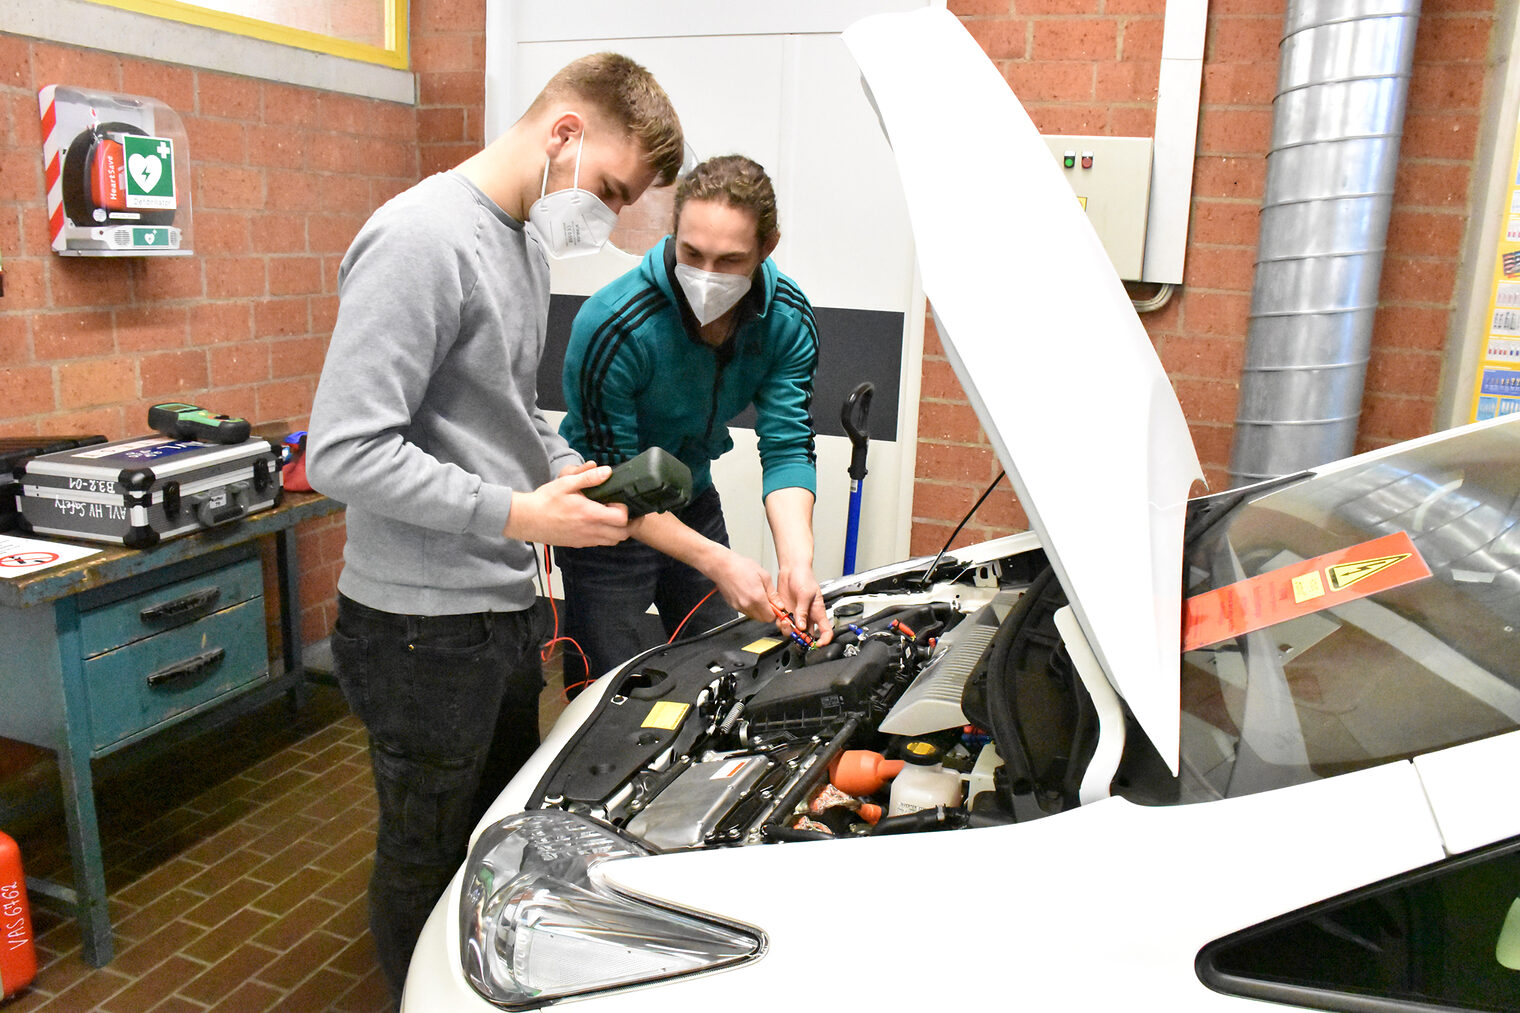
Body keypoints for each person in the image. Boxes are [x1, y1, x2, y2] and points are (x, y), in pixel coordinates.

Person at [305, 53, 682, 1002]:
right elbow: (342, 454)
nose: (604, 215)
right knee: (424, 857)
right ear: (562, 133)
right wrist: (520, 511)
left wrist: (565, 475)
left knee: (494, 841)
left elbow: (503, 414)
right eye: (608, 188)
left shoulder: (518, 243)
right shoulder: (420, 238)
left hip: (498, 613)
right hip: (418, 631)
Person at [557, 154, 831, 692]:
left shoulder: (786, 318)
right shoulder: (612, 326)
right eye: (692, 253)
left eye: (730, 260)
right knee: (609, 692)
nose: (706, 276)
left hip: (691, 498)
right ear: (673, 233)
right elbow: (612, 485)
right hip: (605, 513)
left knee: (723, 668)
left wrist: (796, 563)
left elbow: (788, 446)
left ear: (767, 247)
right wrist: (719, 561)